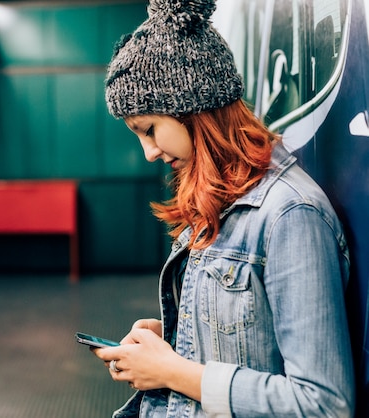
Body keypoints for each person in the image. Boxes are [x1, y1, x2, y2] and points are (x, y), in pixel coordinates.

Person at [91, 0, 355, 416]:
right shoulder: (221, 199)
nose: (148, 152)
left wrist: (171, 371)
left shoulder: (290, 215)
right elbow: (255, 346)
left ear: (193, 106)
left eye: (150, 129)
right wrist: (176, 341)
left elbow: (321, 404)